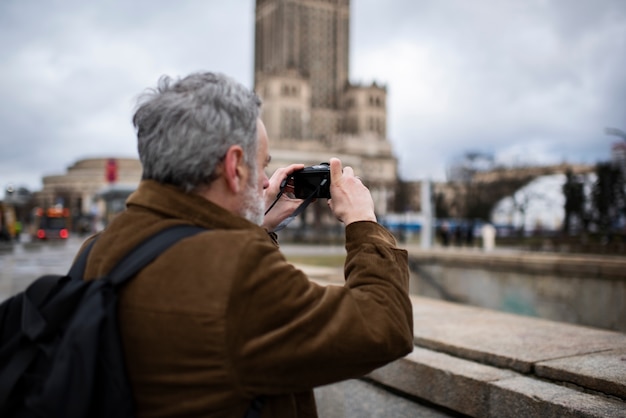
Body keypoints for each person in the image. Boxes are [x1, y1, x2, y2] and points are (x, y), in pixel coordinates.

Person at [80, 72, 413, 417]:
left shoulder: (97, 249)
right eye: (262, 165)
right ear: (234, 165)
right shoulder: (234, 275)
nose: (267, 181)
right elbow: (383, 325)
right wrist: (363, 222)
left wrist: (257, 225)